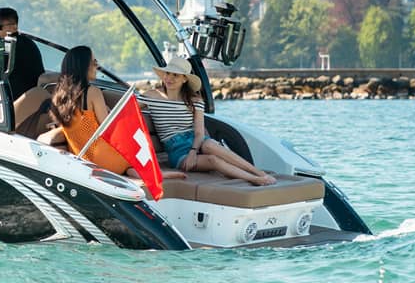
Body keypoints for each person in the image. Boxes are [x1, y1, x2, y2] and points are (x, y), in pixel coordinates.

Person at [144, 55, 276, 185]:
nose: (169, 78)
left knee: (209, 145)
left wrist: (193, 151)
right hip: (176, 149)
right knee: (213, 160)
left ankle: (258, 172)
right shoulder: (152, 96)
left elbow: (199, 133)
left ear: (184, 79)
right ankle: (253, 179)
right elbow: (132, 107)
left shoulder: (195, 100)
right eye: (167, 73)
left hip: (195, 141)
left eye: (175, 75)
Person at [48, 46, 134, 176]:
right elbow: (108, 129)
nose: (96, 66)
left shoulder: (59, 98)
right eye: (94, 62)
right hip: (103, 159)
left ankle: (132, 170)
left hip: (82, 158)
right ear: (83, 66)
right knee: (133, 151)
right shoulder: (93, 92)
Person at [0, 7, 46, 101]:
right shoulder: (27, 42)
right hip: (25, 97)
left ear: (14, 27)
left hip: (15, 100)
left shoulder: (12, 45)